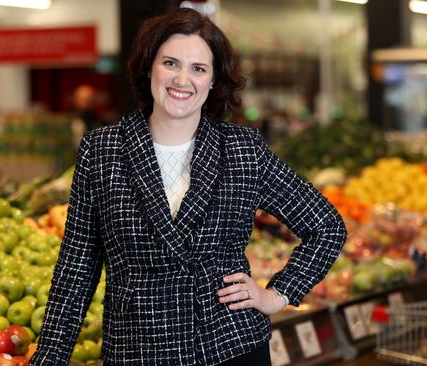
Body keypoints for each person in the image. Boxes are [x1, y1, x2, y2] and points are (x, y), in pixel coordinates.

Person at [31, 8, 347, 366]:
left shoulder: (241, 149)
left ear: (213, 80)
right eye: (171, 63)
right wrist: (48, 359)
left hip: (230, 346)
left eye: (198, 68)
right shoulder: (102, 150)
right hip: (138, 350)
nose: (183, 79)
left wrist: (277, 294)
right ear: (149, 66)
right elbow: (77, 267)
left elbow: (326, 226)